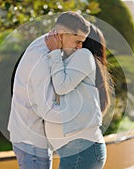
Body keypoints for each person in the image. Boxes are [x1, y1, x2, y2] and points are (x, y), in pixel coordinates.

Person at [8, 11, 90, 169]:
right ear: (61, 35)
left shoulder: (44, 45)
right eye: (77, 41)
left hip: (30, 138)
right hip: (31, 143)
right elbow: (47, 109)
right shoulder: (43, 59)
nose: (80, 48)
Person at [44, 24, 111, 169]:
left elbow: (61, 87)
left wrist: (55, 52)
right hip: (80, 152)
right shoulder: (77, 65)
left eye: (79, 40)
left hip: (80, 152)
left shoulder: (82, 56)